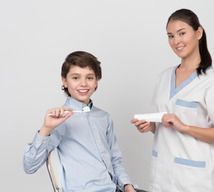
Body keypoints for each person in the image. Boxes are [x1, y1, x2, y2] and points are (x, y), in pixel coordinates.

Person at [131, 9, 214, 192]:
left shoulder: (211, 81)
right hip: (161, 175)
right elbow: (163, 124)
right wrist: (151, 126)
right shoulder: (163, 77)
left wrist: (185, 127)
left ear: (198, 33)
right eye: (170, 36)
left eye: (182, 33)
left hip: (193, 180)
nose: (176, 41)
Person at [23, 51, 137, 192]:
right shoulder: (59, 120)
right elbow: (30, 166)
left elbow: (115, 160)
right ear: (65, 81)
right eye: (76, 78)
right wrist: (46, 129)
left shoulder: (104, 117)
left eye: (89, 77)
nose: (83, 84)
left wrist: (127, 185)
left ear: (96, 81)